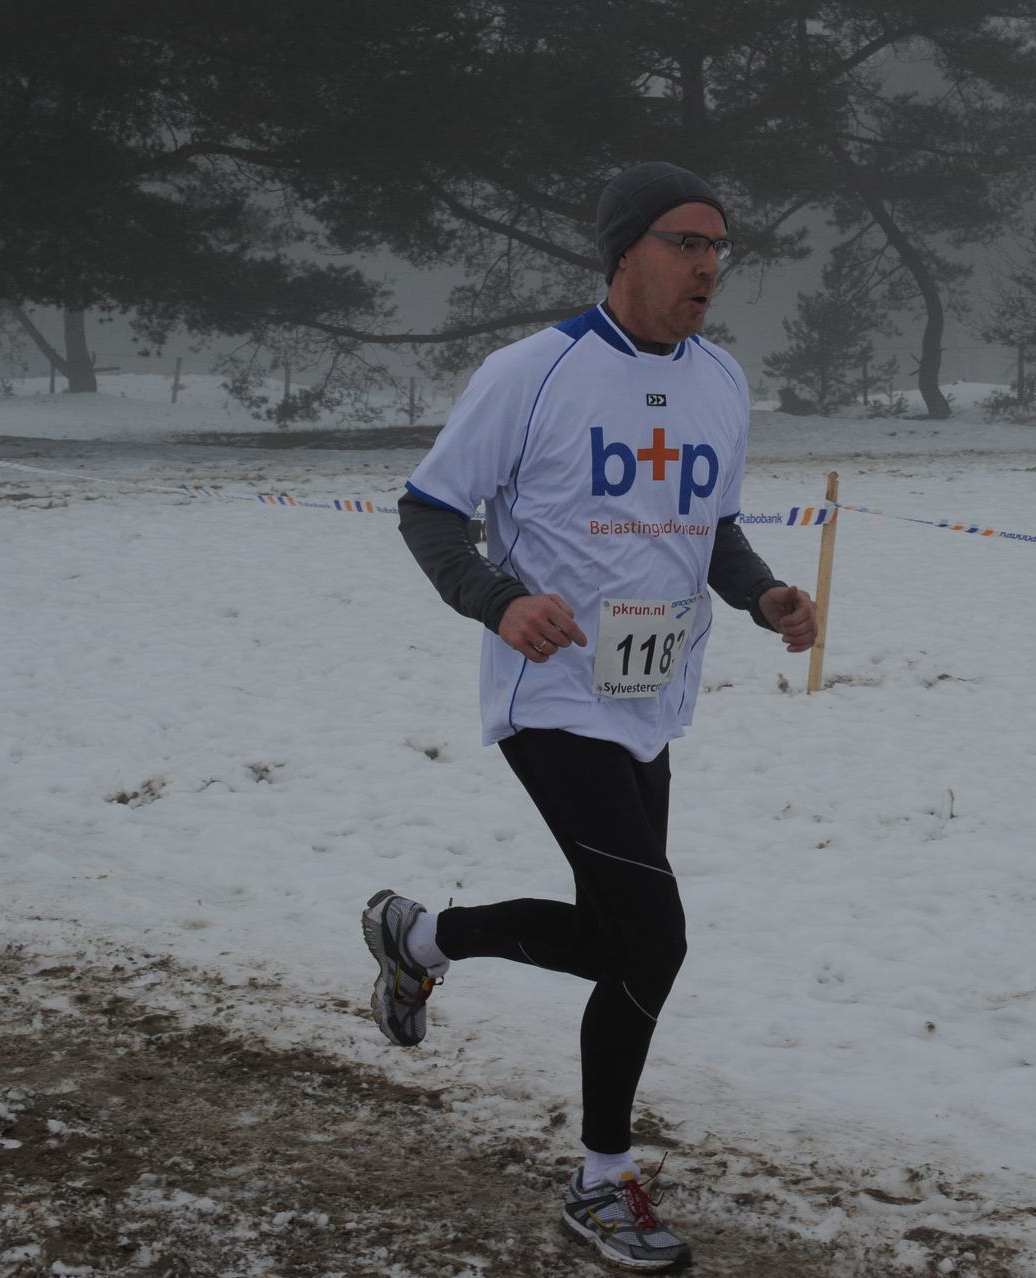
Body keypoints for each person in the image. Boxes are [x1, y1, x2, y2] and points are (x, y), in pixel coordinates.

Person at [365, 160, 816, 1270]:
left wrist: (762, 595)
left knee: (618, 939)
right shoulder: (533, 372)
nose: (709, 266)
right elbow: (429, 513)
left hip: (649, 697)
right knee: (654, 937)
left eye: (720, 247)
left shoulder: (722, 380)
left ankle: (419, 938)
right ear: (625, 250)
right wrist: (501, 601)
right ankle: (601, 1181)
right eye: (687, 242)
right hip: (553, 694)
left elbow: (712, 527)